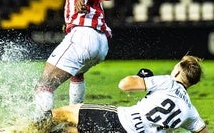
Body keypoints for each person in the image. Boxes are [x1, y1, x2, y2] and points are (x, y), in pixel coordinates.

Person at [35, 0, 123, 120]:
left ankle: (39, 126)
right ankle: (75, 119)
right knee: (77, 74)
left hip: (84, 36)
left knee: (44, 84)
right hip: (99, 44)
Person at [51, 55, 209, 133]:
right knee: (70, 131)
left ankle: (27, 127)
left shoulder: (169, 81)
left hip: (122, 121)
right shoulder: (191, 111)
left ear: (178, 71)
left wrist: (141, 78)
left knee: (66, 113)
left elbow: (124, 85)